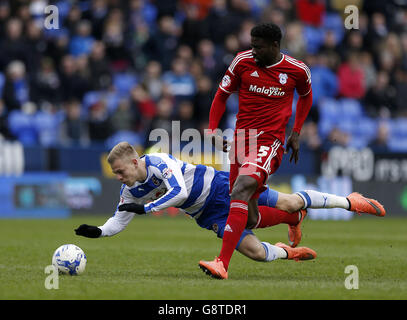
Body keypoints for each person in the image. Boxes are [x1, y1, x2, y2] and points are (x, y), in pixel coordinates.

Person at [199, 22, 383, 279]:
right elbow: (221, 95)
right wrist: (211, 131)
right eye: (251, 46)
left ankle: (222, 263)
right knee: (248, 218)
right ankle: (294, 216)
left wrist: (296, 132)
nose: (253, 52)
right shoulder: (241, 62)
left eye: (258, 47)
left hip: (270, 142)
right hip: (242, 142)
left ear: (275, 46)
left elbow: (306, 97)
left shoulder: (296, 70)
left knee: (241, 188)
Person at [74, 142, 385, 272]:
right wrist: (99, 232)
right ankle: (289, 251)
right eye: (115, 174)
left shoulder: (158, 162)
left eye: (119, 171)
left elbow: (179, 192)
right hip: (207, 213)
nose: (118, 177)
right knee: (256, 253)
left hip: (223, 187)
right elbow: (120, 220)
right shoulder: (129, 191)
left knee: (288, 200)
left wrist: (149, 208)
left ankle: (350, 201)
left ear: (133, 161)